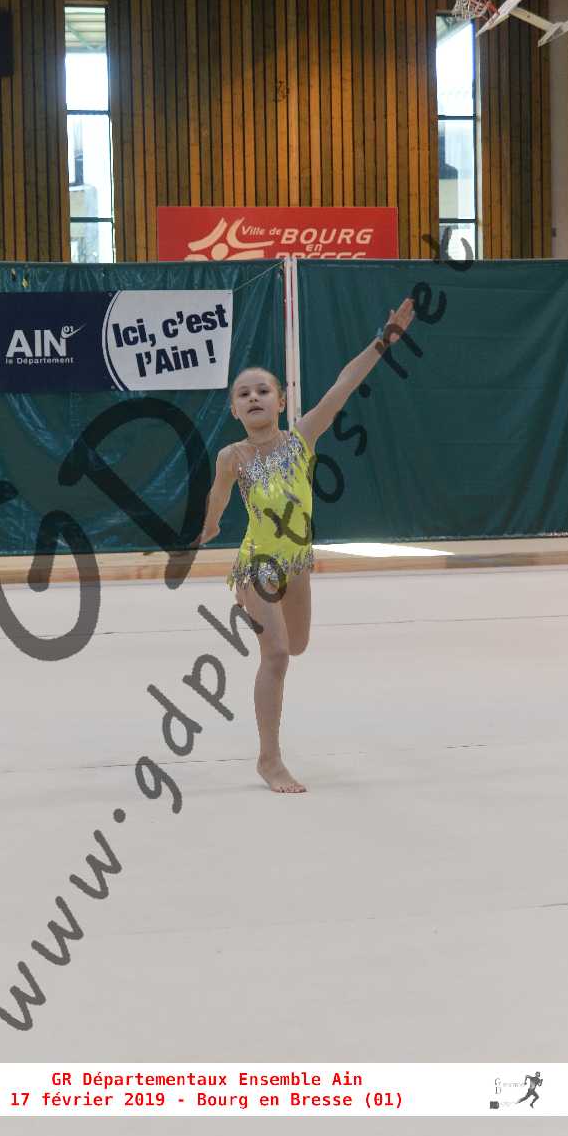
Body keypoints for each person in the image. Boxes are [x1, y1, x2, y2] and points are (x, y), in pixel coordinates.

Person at [195, 298, 416, 793]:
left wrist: (383, 341)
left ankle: (270, 736)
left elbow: (344, 385)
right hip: (257, 565)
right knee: (276, 654)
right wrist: (209, 526)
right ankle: (269, 760)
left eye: (263, 391)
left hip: (296, 562)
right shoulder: (232, 456)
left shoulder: (302, 439)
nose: (254, 397)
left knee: (296, 645)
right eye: (244, 394)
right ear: (234, 409)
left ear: (281, 402)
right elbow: (218, 496)